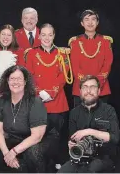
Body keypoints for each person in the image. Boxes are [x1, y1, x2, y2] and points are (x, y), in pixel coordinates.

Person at [0, 65, 59, 173]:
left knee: (32, 152)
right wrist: (6, 154)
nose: (15, 82)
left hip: (43, 139)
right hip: (16, 137)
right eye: (12, 79)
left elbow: (37, 136)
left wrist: (13, 152)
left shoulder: (35, 102)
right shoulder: (1, 101)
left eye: (19, 79)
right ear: (7, 81)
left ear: (25, 81)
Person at [25, 23, 73, 169]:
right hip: (38, 100)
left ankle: (56, 161)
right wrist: (39, 92)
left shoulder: (62, 53)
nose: (46, 38)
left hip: (57, 101)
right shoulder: (32, 53)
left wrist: (51, 92)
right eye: (43, 35)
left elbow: (64, 77)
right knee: (40, 135)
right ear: (39, 36)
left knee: (57, 135)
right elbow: (29, 76)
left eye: (49, 34)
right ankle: (41, 162)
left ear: (54, 36)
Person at [58, 75, 120, 173]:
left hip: (103, 157)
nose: (88, 91)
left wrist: (88, 131)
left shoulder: (109, 110)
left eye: (93, 87)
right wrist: (71, 144)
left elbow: (115, 138)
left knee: (88, 170)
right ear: (80, 92)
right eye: (85, 87)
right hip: (81, 156)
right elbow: (73, 138)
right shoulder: (74, 113)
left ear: (99, 91)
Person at [68, 9, 113, 107]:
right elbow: (75, 67)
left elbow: (107, 65)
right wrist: (86, 86)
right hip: (80, 89)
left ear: (97, 22)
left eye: (93, 19)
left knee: (100, 121)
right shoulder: (75, 42)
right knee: (80, 121)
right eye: (87, 19)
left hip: (101, 89)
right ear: (82, 23)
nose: (90, 22)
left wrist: (96, 85)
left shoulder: (105, 41)